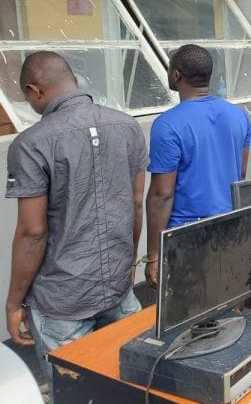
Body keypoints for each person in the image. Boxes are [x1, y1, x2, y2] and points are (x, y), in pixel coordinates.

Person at [5, 52, 147, 392]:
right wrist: (129, 264)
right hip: (118, 287)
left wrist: (13, 302)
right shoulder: (127, 126)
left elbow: (32, 232)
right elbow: (136, 203)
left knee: (74, 393)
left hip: (62, 301)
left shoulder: (30, 144)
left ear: (34, 91)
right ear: (76, 81)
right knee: (130, 386)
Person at [145, 44, 251, 287]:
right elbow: (241, 173)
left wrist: (153, 256)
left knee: (187, 306)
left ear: (176, 75)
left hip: (186, 238)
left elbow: (162, 195)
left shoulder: (167, 125)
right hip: (230, 228)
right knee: (225, 296)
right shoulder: (238, 116)